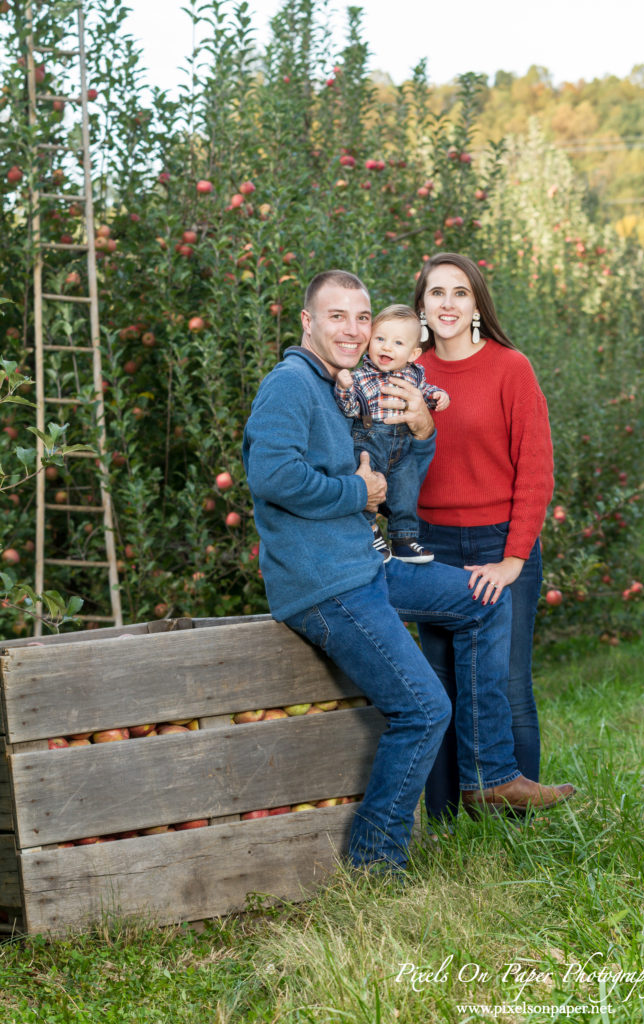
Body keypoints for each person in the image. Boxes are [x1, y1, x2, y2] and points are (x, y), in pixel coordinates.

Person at [242, 269, 573, 872]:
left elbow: (390, 477)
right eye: (336, 316)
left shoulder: (341, 385)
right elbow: (272, 478)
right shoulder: (291, 384)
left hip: (364, 566)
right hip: (328, 585)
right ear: (307, 323)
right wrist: (355, 491)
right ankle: (375, 860)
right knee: (424, 709)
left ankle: (487, 775)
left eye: (361, 317)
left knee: (486, 599)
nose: (352, 328)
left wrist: (419, 433)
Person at [413, 252, 555, 826]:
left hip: (501, 544)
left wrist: (515, 557)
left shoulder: (510, 368)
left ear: (477, 306)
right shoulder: (408, 375)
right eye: (436, 293)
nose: (448, 304)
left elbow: (536, 469)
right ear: (421, 305)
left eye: (460, 293)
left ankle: (517, 826)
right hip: (432, 547)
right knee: (441, 686)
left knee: (506, 683)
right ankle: (448, 825)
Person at [334, 304, 449, 563]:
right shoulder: (361, 376)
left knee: (407, 489)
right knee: (366, 486)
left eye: (397, 343)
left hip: (402, 446)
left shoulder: (414, 375)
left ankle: (403, 538)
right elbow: (350, 408)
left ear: (413, 353)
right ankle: (369, 531)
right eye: (380, 339)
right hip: (369, 442)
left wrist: (438, 395)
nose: (386, 347)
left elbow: (426, 392)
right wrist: (343, 387)